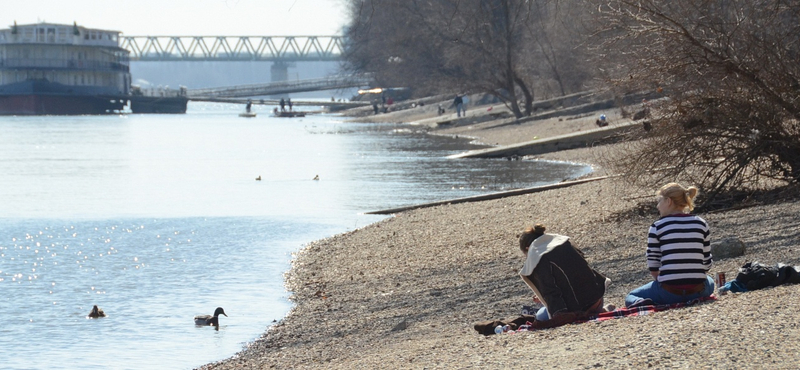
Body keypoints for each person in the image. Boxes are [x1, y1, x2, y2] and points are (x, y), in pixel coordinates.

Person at [625, 183, 714, 307]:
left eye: (659, 201)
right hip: (698, 291)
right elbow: (707, 262)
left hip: (669, 293)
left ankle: (642, 302)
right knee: (710, 281)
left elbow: (653, 263)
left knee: (631, 296)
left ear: (669, 201)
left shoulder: (657, 226)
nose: (657, 206)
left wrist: (662, 280)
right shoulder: (701, 223)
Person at [519, 224, 612, 326]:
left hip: (580, 308)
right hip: (597, 297)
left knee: (541, 315)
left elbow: (551, 293)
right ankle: (601, 310)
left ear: (528, 248)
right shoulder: (563, 242)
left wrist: (558, 316)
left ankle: (598, 311)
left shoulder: (537, 257)